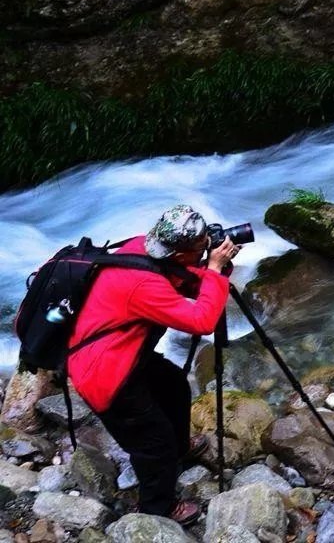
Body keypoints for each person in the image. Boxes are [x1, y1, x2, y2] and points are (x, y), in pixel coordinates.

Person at [66, 204, 241, 525]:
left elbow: (182, 278)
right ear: (180, 253)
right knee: (152, 443)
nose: (205, 249)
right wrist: (214, 270)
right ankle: (158, 509)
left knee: (174, 385)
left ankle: (179, 449)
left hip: (126, 353)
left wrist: (217, 267)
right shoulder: (142, 286)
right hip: (105, 375)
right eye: (200, 247)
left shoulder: (141, 247)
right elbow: (201, 320)